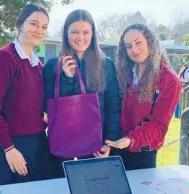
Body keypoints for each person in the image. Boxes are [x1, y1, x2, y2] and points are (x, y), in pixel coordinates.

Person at [43, 9, 121, 178]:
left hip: (96, 145)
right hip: (62, 144)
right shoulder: (52, 65)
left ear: (93, 34)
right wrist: (67, 78)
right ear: (66, 33)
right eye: (74, 32)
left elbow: (113, 105)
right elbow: (47, 105)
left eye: (86, 32)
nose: (80, 37)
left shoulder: (105, 65)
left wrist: (109, 143)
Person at [0, 4, 51, 185]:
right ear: (20, 24)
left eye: (44, 27)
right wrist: (8, 148)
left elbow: (34, 106)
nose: (39, 30)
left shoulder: (37, 64)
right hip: (15, 146)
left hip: (39, 143)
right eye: (34, 24)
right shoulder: (4, 58)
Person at [105, 23, 182, 170]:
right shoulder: (123, 75)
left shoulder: (168, 80)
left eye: (138, 42)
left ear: (150, 42)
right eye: (128, 46)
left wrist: (131, 140)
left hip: (142, 154)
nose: (134, 49)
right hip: (115, 148)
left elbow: (158, 125)